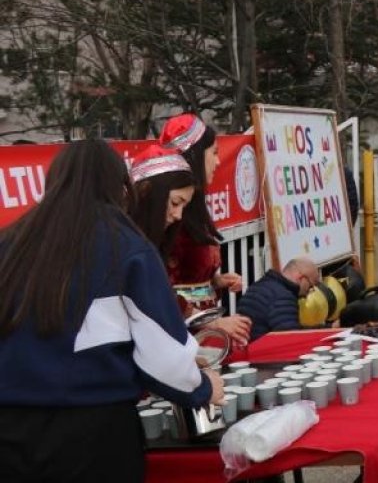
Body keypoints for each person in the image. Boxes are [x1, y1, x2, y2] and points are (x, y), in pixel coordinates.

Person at [0, 140, 222, 481]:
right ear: (120, 187)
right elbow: (164, 356)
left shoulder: (11, 241)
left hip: (11, 431)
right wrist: (203, 387)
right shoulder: (125, 244)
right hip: (93, 434)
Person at [160, 114, 251, 345]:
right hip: (183, 340)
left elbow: (187, 275)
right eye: (214, 153)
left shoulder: (195, 209)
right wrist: (212, 323)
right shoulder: (168, 217)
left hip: (205, 335)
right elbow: (160, 289)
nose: (218, 162)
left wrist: (215, 282)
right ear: (195, 156)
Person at [237, 257, 323, 341]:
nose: (309, 291)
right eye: (311, 285)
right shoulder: (284, 297)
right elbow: (290, 338)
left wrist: (327, 328)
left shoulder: (259, 285)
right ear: (301, 278)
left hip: (246, 346)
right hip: (263, 352)